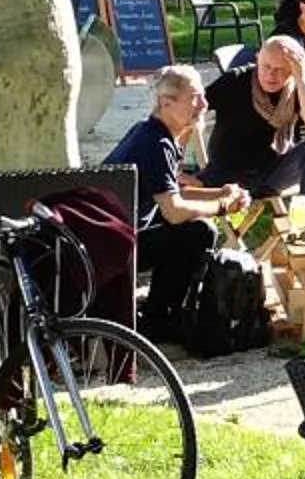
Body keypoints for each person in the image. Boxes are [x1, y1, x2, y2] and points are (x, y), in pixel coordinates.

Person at [105, 65, 246, 337]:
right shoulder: (155, 143)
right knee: (199, 231)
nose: (204, 105)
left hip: (119, 234)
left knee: (194, 225)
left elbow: (171, 193)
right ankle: (158, 320)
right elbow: (174, 211)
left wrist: (220, 193)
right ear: (165, 103)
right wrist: (221, 206)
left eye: (204, 96)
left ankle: (159, 312)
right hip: (114, 247)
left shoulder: (151, 132)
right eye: (195, 97)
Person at [203, 32, 305, 203]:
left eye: (280, 69)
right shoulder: (235, 81)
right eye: (265, 66)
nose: (271, 75)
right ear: (258, 60)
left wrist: (301, 78)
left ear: (293, 70)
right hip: (227, 175)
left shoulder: (300, 87)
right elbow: (191, 109)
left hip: (273, 171)